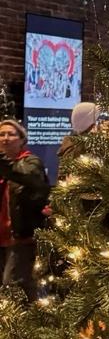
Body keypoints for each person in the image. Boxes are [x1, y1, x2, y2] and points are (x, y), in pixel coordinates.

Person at [0, 119, 50, 300]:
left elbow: (23, 176)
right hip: (1, 236)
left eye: (11, 134)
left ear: (22, 140)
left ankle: (29, 324)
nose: (5, 138)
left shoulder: (31, 163)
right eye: (2, 134)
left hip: (20, 237)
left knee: (12, 286)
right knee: (21, 287)